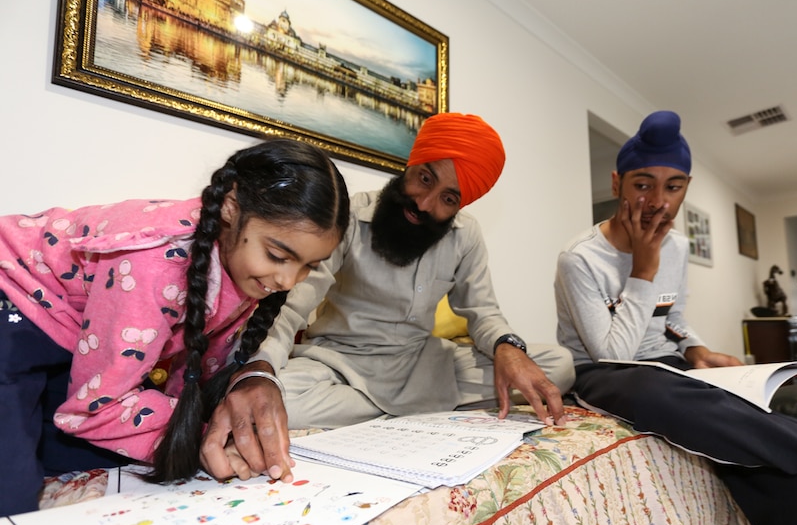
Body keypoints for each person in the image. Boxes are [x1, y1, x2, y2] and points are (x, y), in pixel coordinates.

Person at [553, 110, 797, 525]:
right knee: (659, 392)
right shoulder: (580, 259)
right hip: (606, 373)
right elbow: (611, 352)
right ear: (617, 183)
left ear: (686, 188)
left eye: (673, 186)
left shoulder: (676, 246)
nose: (658, 200)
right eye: (643, 184)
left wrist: (695, 347)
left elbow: (672, 317)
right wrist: (643, 267)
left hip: (668, 366)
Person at [202, 112, 575, 480]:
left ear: (461, 205)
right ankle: (412, 408)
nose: (426, 203)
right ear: (410, 164)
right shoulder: (347, 218)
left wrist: (508, 347)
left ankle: (386, 408)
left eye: (448, 198)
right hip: (338, 365)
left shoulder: (466, 235)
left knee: (556, 365)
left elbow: (482, 312)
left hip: (421, 365)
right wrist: (260, 369)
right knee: (277, 399)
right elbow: (291, 309)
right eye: (425, 178)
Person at [0, 139, 350, 516]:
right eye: (278, 256)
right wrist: (202, 439)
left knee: (95, 461)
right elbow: (92, 411)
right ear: (231, 208)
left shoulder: (244, 266)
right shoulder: (154, 262)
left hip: (69, 335)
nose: (287, 280)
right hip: (12, 308)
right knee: (12, 502)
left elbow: (191, 374)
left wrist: (219, 429)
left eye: (309, 267)